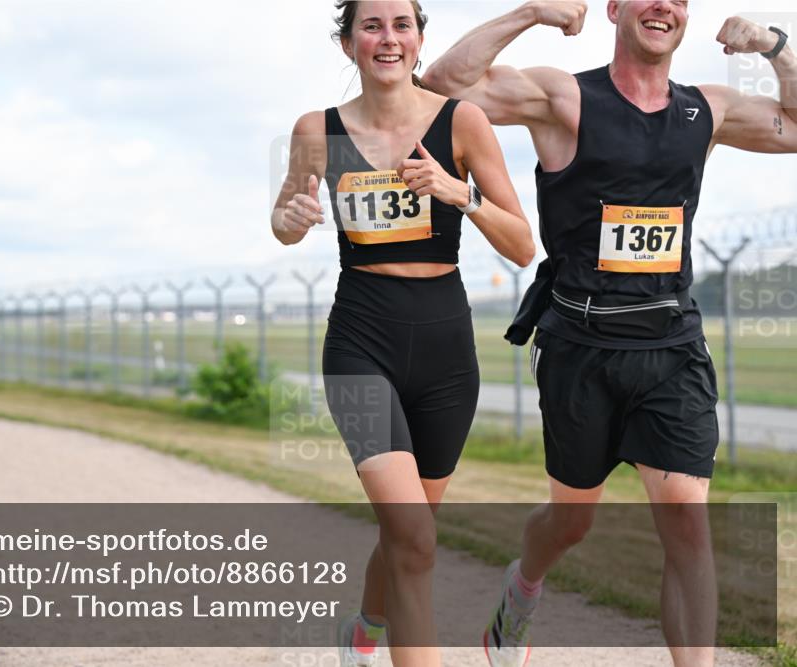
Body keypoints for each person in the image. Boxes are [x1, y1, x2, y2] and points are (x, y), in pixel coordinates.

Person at [422, 1, 796, 665]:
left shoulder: (705, 108)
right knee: (571, 521)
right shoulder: (563, 96)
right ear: (615, 8)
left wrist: (774, 45)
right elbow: (443, 85)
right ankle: (523, 588)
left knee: (686, 515)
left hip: (670, 344)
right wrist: (532, 12)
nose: (664, 6)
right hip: (579, 347)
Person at [272, 2, 535, 664]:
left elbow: (523, 245)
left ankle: (364, 629)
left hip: (446, 348)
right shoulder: (317, 130)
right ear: (347, 43)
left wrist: (456, 191)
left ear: (419, 40)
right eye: (371, 25)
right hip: (361, 339)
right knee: (414, 534)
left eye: (401, 25)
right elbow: (281, 217)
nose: (387, 38)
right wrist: (296, 215)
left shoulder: (462, 122)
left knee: (408, 533)